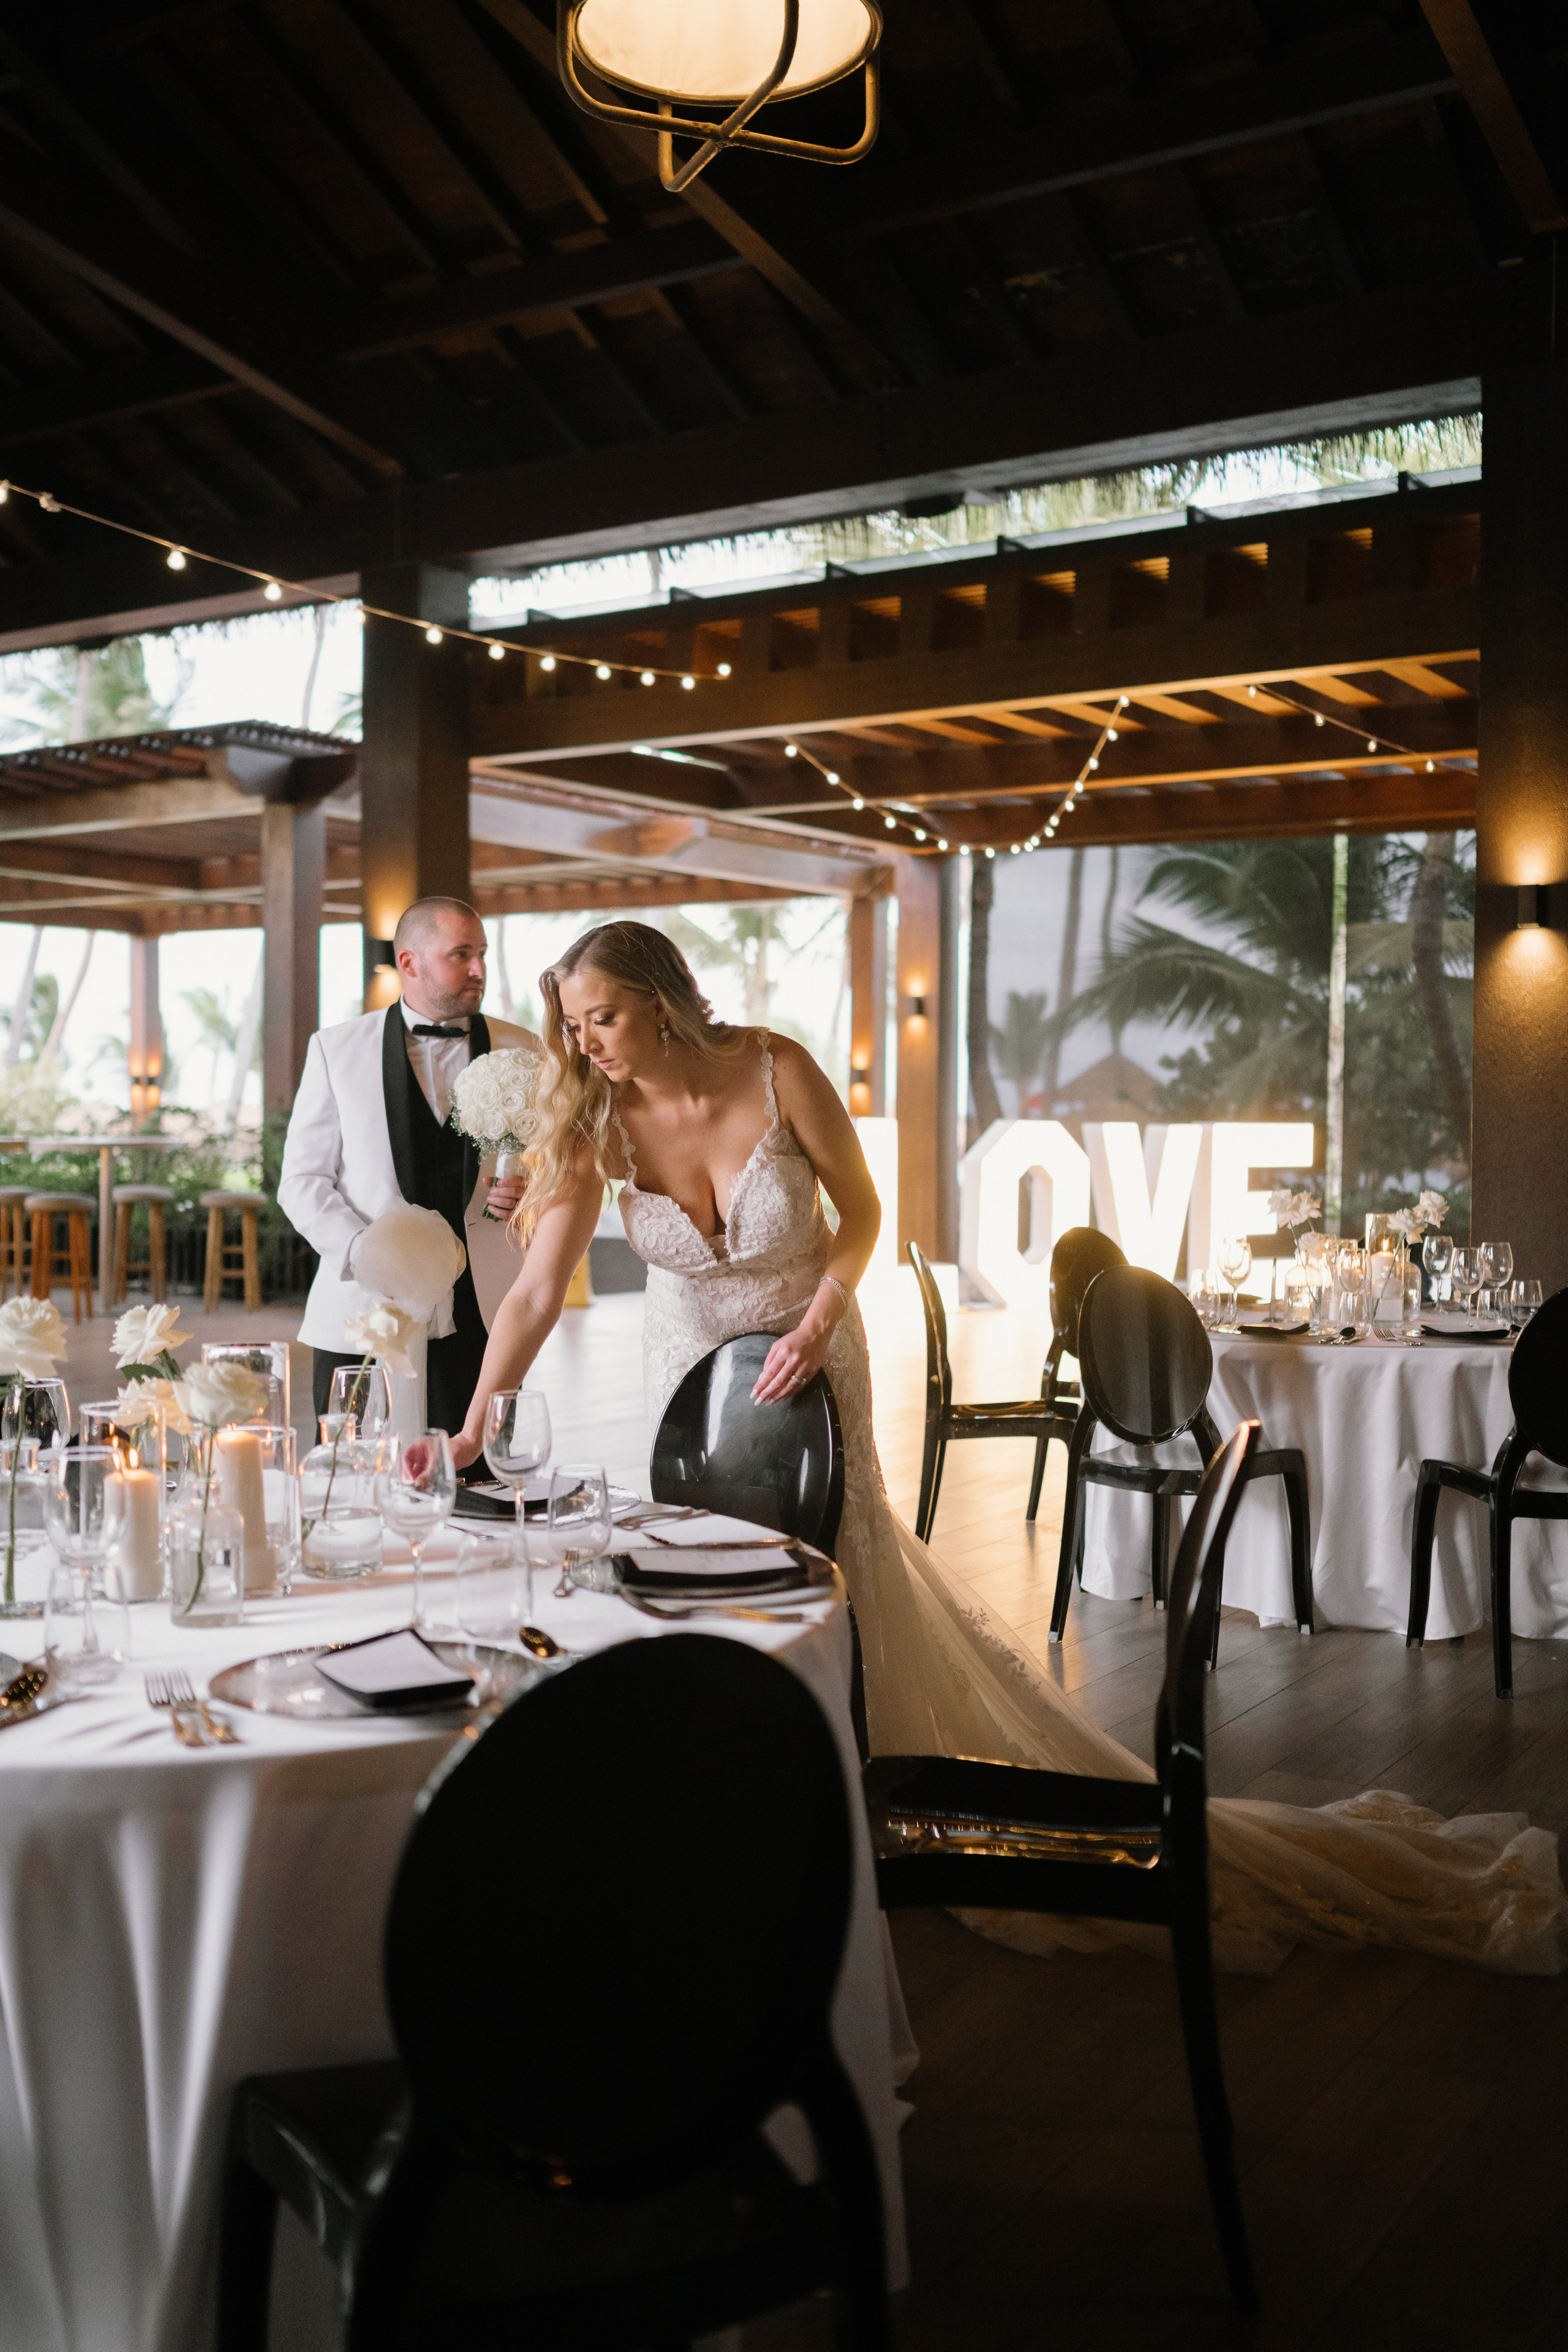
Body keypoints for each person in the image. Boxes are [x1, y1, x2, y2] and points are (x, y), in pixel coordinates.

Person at [454, 922, 1566, 1977]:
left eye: (600, 1018)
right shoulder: (589, 1121)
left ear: (657, 1002)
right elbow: (538, 1291)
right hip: (687, 1381)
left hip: (812, 1353)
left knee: (834, 1580)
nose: (584, 1044)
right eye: (575, 1026)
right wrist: (473, 1427)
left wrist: (821, 1315)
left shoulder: (775, 1068)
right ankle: (764, 1818)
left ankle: (859, 1800)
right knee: (706, 1590)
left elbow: (862, 1213)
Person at [279, 896, 540, 1439]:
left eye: (483, 954)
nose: (479, 970)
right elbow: (302, 1181)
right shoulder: (335, 1049)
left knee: (477, 1484)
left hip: (482, 1312)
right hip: (363, 1314)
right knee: (354, 1478)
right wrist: (366, 1253)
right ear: (409, 963)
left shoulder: (525, 1049)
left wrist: (531, 1191)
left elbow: (558, 1168)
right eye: (461, 954)